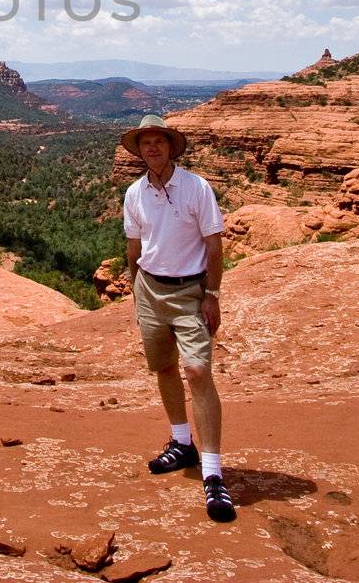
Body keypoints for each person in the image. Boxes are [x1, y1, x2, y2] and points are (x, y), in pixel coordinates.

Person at [119, 113, 235, 523]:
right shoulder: (134, 193)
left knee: (198, 370)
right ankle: (181, 442)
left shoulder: (196, 188)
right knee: (164, 367)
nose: (152, 148)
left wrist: (212, 294)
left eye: (159, 142)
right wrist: (135, 291)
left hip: (190, 291)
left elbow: (214, 244)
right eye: (145, 143)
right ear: (139, 150)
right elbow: (134, 248)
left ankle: (213, 472)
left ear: (171, 147)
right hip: (149, 289)